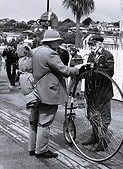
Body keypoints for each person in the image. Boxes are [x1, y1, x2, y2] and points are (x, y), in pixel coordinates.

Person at [29, 29, 85, 158]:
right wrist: (77, 69)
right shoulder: (50, 53)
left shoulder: (37, 51)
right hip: (49, 91)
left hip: (37, 89)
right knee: (45, 121)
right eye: (58, 42)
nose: (58, 44)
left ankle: (32, 148)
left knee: (34, 120)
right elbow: (64, 70)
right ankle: (42, 150)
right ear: (52, 42)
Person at [80, 34, 115, 152]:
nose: (91, 47)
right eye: (90, 44)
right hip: (91, 92)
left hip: (103, 92)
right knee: (92, 116)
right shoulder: (91, 56)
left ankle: (102, 141)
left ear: (100, 44)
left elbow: (110, 72)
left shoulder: (107, 55)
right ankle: (94, 137)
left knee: (103, 118)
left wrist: (96, 67)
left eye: (93, 44)